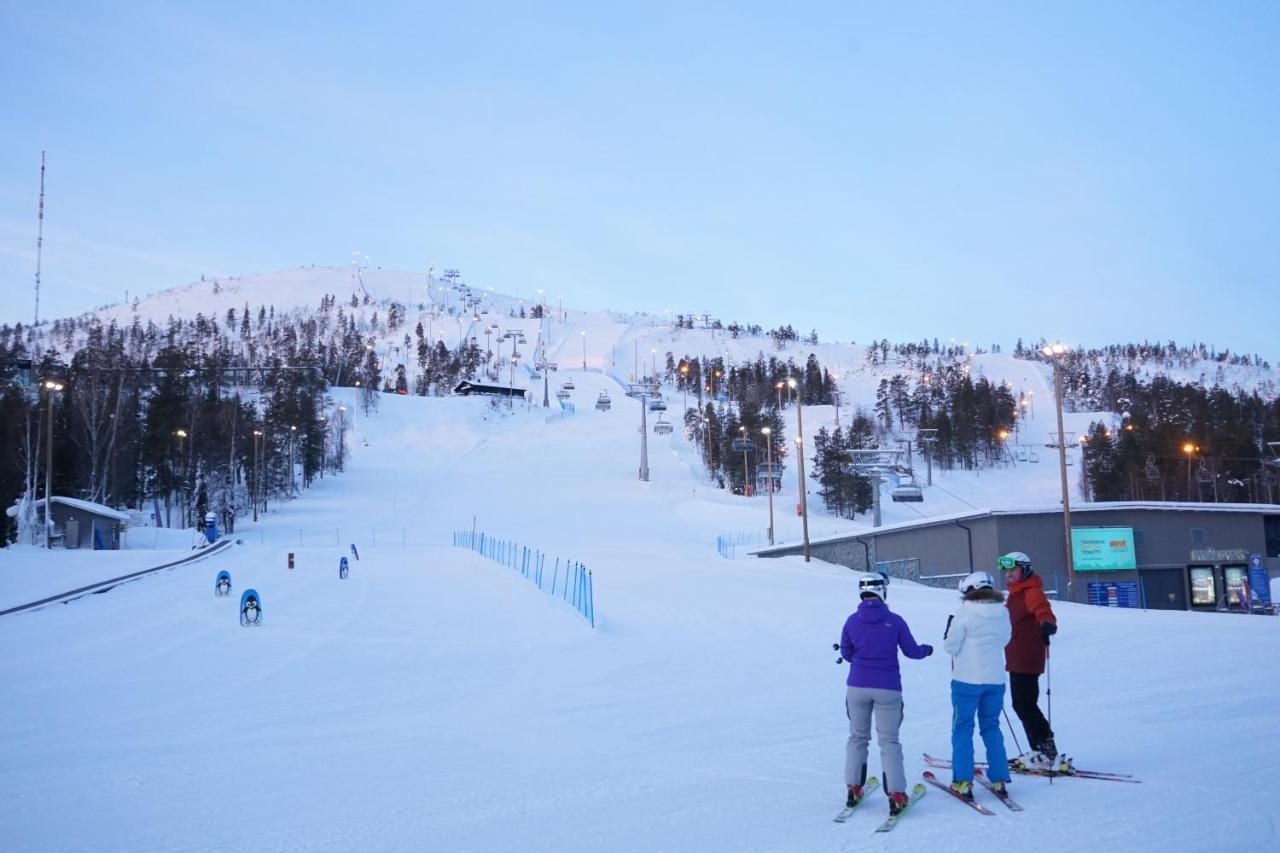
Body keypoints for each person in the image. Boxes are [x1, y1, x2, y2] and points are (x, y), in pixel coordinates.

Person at [839, 572, 933, 816]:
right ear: (883, 592)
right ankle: (897, 795)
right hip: (888, 688)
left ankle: (852, 788)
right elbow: (912, 651)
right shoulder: (895, 620)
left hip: (857, 687)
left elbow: (847, 653)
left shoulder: (851, 621)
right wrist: (927, 650)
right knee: (889, 741)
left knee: (857, 737)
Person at [943, 571, 1013, 800]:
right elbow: (1005, 640)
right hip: (995, 680)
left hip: (966, 680)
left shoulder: (964, 613)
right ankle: (1000, 779)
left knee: (962, 728)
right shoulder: (1003, 612)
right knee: (991, 727)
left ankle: (963, 781)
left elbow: (950, 646)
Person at [999, 551, 1062, 769]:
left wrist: (1047, 623)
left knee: (1025, 704)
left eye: (1012, 570)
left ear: (1024, 570)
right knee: (1021, 704)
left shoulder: (1030, 591)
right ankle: (1039, 750)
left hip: (1027, 657)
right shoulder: (1015, 595)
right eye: (1006, 571)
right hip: (1016, 657)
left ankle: (1045, 750)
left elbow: (1043, 610)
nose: (1008, 574)